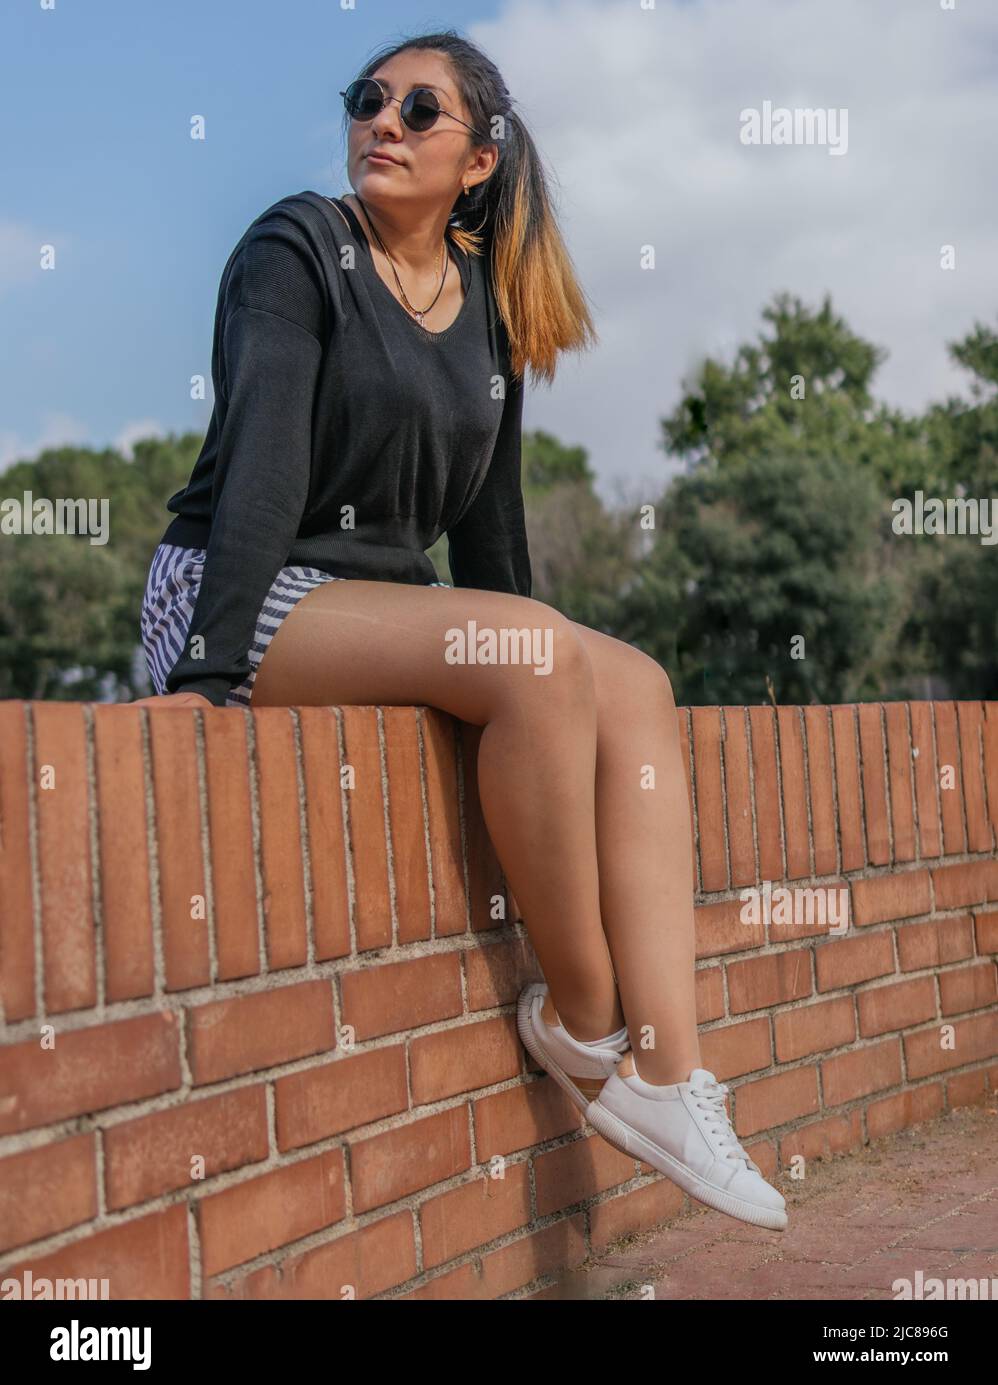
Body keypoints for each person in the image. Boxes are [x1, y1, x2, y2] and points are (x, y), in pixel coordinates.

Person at [134, 29, 786, 1233]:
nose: (382, 121)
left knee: (629, 681)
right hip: (236, 593)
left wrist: (544, 653)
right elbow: (264, 462)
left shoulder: (486, 306)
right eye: (366, 100)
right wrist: (206, 675)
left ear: (477, 160)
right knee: (533, 656)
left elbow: (491, 540)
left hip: (376, 611)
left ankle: (668, 1074)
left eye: (418, 109)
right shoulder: (298, 249)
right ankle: (582, 1029)